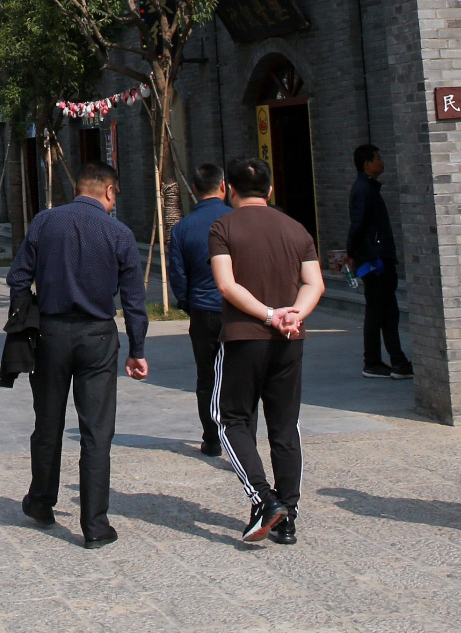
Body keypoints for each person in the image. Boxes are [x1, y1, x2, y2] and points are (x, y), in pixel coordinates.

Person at [6, 162, 148, 547]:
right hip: (98, 336)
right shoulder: (119, 233)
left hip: (50, 333)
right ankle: (95, 525)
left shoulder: (44, 223)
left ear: (76, 188)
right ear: (109, 191)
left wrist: (24, 319)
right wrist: (137, 349)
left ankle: (41, 501)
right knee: (96, 431)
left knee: (47, 422)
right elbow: (134, 301)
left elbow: (18, 277)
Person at [208, 154, 323, 545]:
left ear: (229, 190)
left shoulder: (223, 227)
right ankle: (288, 516)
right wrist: (294, 315)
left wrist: (270, 315)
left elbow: (226, 285)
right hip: (290, 341)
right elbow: (315, 283)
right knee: (285, 426)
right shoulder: (296, 228)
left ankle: (264, 498)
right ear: (270, 190)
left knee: (230, 419)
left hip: (244, 337)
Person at [165, 163, 234, 456]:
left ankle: (212, 438)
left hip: (203, 310)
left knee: (207, 377)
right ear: (223, 187)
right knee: (238, 376)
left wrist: (188, 304)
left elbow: (177, 275)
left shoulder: (182, 228)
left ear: (193, 189)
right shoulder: (235, 220)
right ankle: (240, 437)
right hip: (237, 310)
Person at [347, 145, 410, 379]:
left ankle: (395, 361)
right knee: (378, 311)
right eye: (378, 158)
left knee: (386, 312)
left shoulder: (368, 187)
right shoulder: (364, 189)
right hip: (375, 260)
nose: (381, 162)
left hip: (377, 256)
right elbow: (357, 224)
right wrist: (352, 252)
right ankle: (374, 362)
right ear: (367, 164)